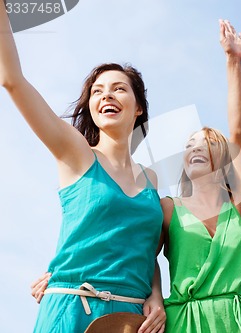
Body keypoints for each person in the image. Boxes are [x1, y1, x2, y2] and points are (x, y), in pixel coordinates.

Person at [1, 3, 165, 333]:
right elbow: (12, 81)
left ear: (138, 109)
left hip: (133, 321)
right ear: (90, 107)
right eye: (97, 91)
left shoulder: (151, 178)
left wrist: (157, 296)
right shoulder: (76, 152)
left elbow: (148, 250)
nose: (107, 95)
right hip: (73, 308)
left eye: (120, 88)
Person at [156, 19, 241, 332]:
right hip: (181, 322)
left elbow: (240, 131)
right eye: (189, 145)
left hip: (236, 322)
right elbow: (138, 255)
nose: (195, 149)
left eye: (207, 144)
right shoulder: (168, 208)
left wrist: (233, 62)